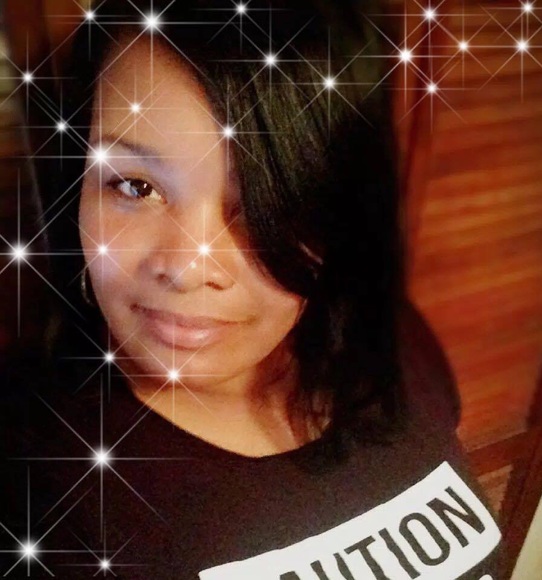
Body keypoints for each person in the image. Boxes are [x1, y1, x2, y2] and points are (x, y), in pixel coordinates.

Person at [0, 0, 502, 577]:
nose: (187, 268)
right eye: (134, 185)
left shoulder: (391, 341)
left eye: (269, 201)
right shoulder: (32, 475)